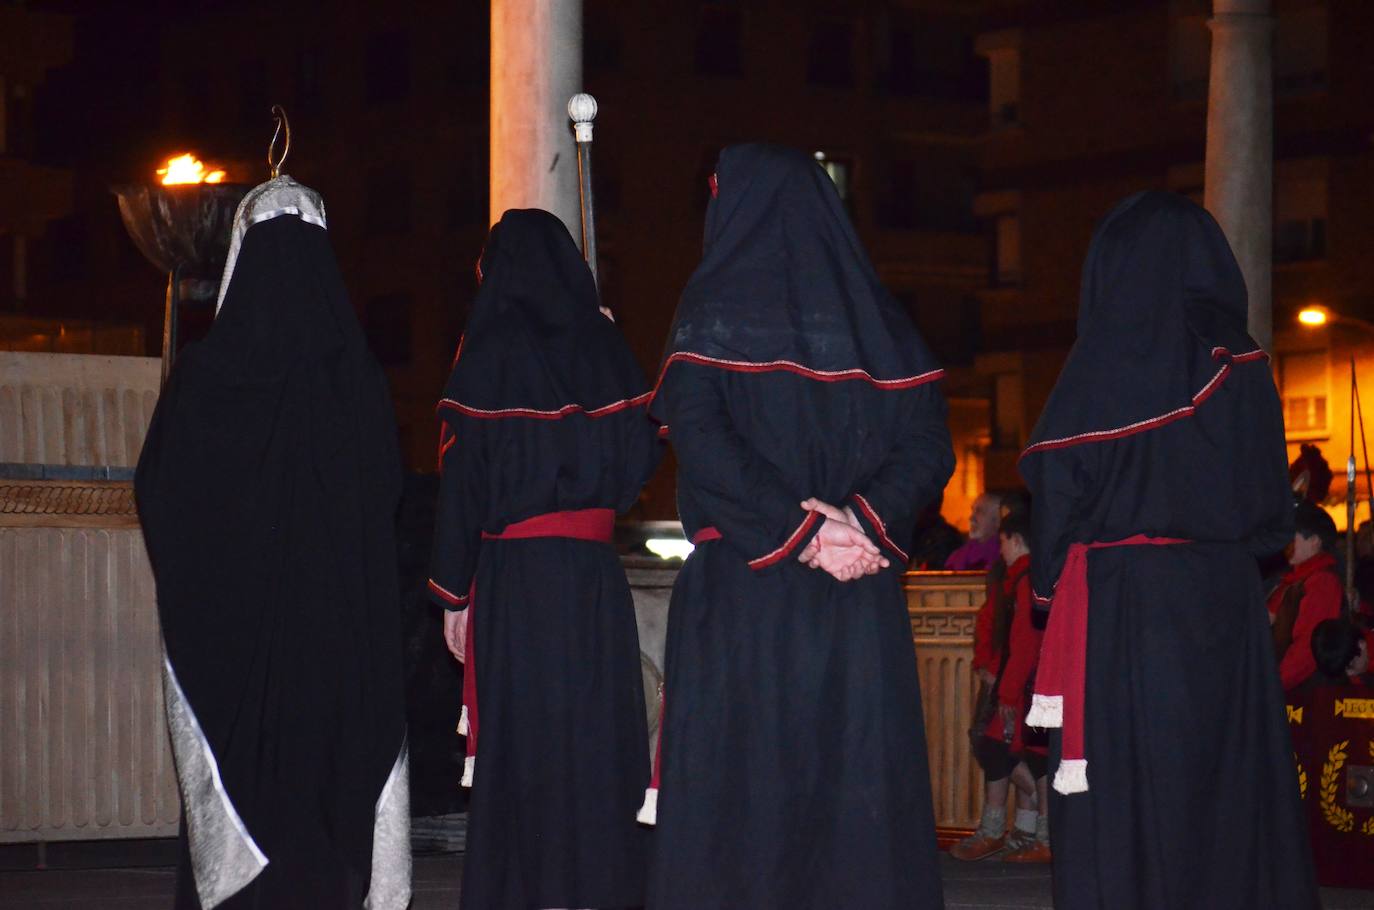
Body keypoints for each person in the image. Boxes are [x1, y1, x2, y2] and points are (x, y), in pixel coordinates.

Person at [643, 143, 952, 910]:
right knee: (854, 810)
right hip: (858, 601)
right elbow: (927, 445)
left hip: (746, 594)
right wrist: (859, 523)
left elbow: (705, 444)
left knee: (744, 813)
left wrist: (803, 532)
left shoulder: (709, 310)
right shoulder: (884, 322)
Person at [1018, 191, 1319, 909]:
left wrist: (1048, 591)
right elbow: (1275, 520)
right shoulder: (1240, 363)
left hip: (1116, 616)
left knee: (1121, 798)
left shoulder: (1094, 372)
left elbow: (1056, 507)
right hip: (1221, 610)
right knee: (1217, 790)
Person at [136, 176, 410, 909]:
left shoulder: (205, 378)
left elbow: (159, 495)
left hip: (239, 646)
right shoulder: (356, 380)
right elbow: (388, 497)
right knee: (325, 793)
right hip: (332, 640)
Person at [426, 209, 662, 910]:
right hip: (591, 577)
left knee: (525, 745)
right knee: (592, 737)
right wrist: (610, 342)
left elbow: (461, 480)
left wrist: (452, 592)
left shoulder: (486, 351)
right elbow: (639, 461)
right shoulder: (604, 345)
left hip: (516, 582)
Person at [952, 509, 1049, 863]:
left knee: (1022, 753)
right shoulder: (1019, 577)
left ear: (1016, 540)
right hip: (1024, 681)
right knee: (1022, 753)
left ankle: (1020, 833)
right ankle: (1025, 832)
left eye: (1003, 541)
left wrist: (1006, 690)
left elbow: (1024, 641)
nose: (1000, 548)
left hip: (1027, 685)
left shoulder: (1025, 580)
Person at [1268, 501, 1344, 692]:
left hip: (1307, 699)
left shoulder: (1322, 583)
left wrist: (1271, 687)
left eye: (1293, 536)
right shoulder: (1288, 582)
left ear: (1314, 541)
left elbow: (1307, 649)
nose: (1286, 542)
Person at [945, 492, 1003, 570]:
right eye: (973, 510)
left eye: (979, 511)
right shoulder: (956, 557)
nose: (971, 518)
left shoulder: (1004, 558)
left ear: (998, 521)